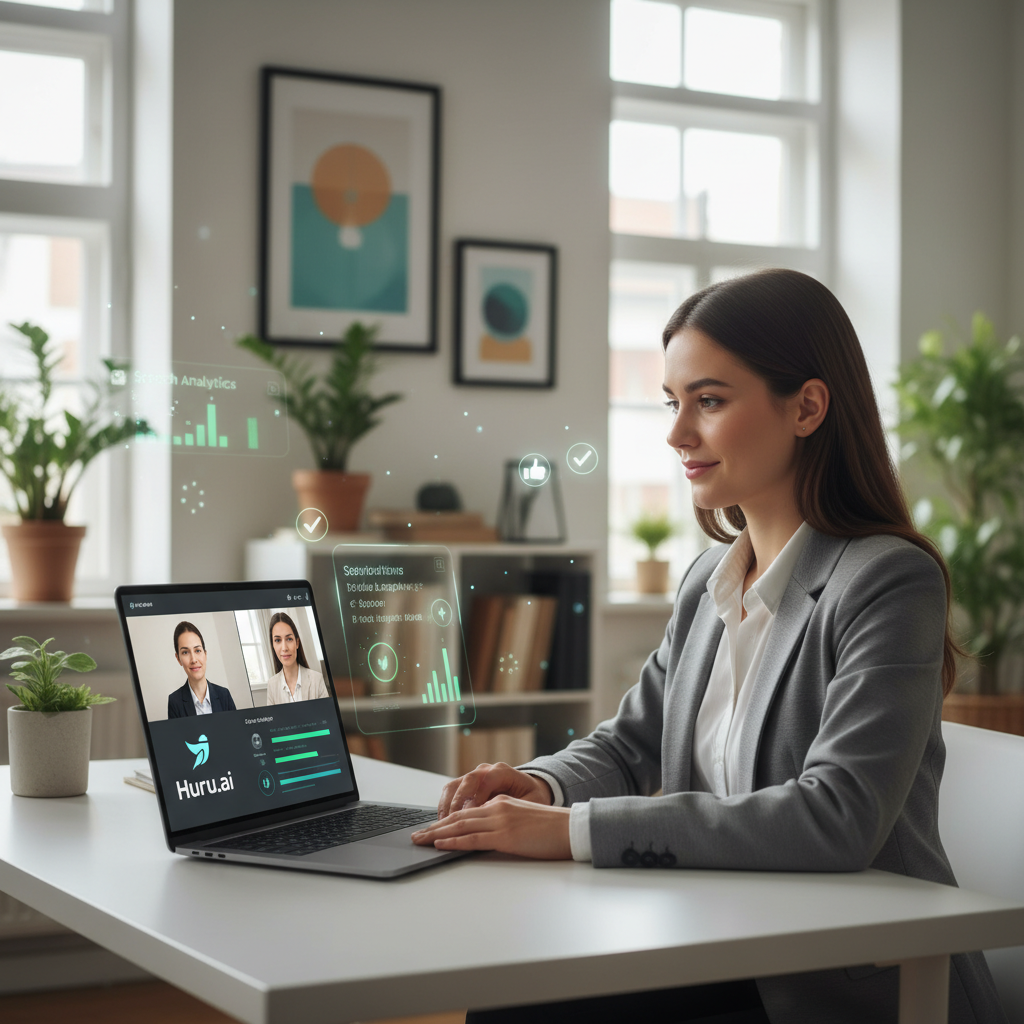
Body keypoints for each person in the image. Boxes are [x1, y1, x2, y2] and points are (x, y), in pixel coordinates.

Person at [411, 270, 1007, 1024]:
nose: (677, 433)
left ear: (808, 407)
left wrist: (574, 832)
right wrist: (539, 787)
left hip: (839, 979)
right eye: (672, 402)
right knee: (511, 989)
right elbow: (632, 745)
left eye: (710, 401)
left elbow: (838, 816)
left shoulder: (888, 581)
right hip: (721, 935)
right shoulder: (707, 581)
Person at [167, 620, 237, 718]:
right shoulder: (175, 702)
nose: (194, 659)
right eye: (185, 652)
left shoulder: (224, 695)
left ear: (205, 654)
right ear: (178, 659)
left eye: (198, 650)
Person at [264, 611, 329, 705]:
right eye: (277, 640)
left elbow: (326, 716)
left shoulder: (316, 679)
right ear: (273, 645)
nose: (284, 648)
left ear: (297, 643)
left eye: (289, 639)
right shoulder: (272, 685)